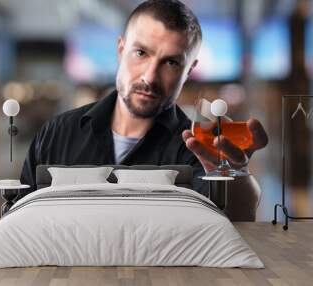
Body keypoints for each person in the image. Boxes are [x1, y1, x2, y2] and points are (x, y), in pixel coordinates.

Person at [20, 0, 268, 221]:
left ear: (189, 70)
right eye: (141, 53)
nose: (150, 77)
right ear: (120, 50)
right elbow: (20, 218)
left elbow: (235, 218)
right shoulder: (57, 133)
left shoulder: (196, 149)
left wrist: (235, 175)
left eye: (171, 62)